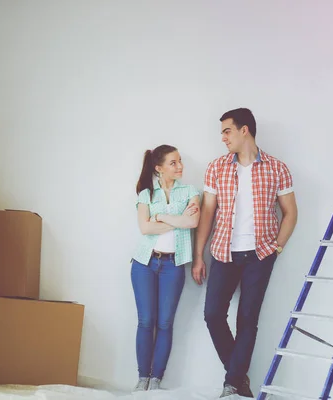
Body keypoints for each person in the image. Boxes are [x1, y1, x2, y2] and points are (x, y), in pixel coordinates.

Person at [192, 108, 298, 398]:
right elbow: (208, 215)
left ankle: (231, 385)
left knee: (247, 321)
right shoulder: (216, 168)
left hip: (260, 255)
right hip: (224, 252)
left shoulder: (277, 168)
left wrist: (276, 248)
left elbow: (290, 213)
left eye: (227, 131)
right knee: (213, 315)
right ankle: (238, 379)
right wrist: (199, 255)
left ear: (245, 130)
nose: (223, 137)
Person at [131, 144, 201, 392]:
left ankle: (156, 379)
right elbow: (144, 229)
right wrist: (178, 220)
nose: (180, 166)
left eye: (180, 161)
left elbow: (193, 221)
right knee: (146, 321)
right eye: (173, 162)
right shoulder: (145, 194)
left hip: (173, 264)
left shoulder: (190, 191)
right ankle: (142, 379)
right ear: (159, 168)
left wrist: (160, 217)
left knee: (164, 323)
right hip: (144, 263)